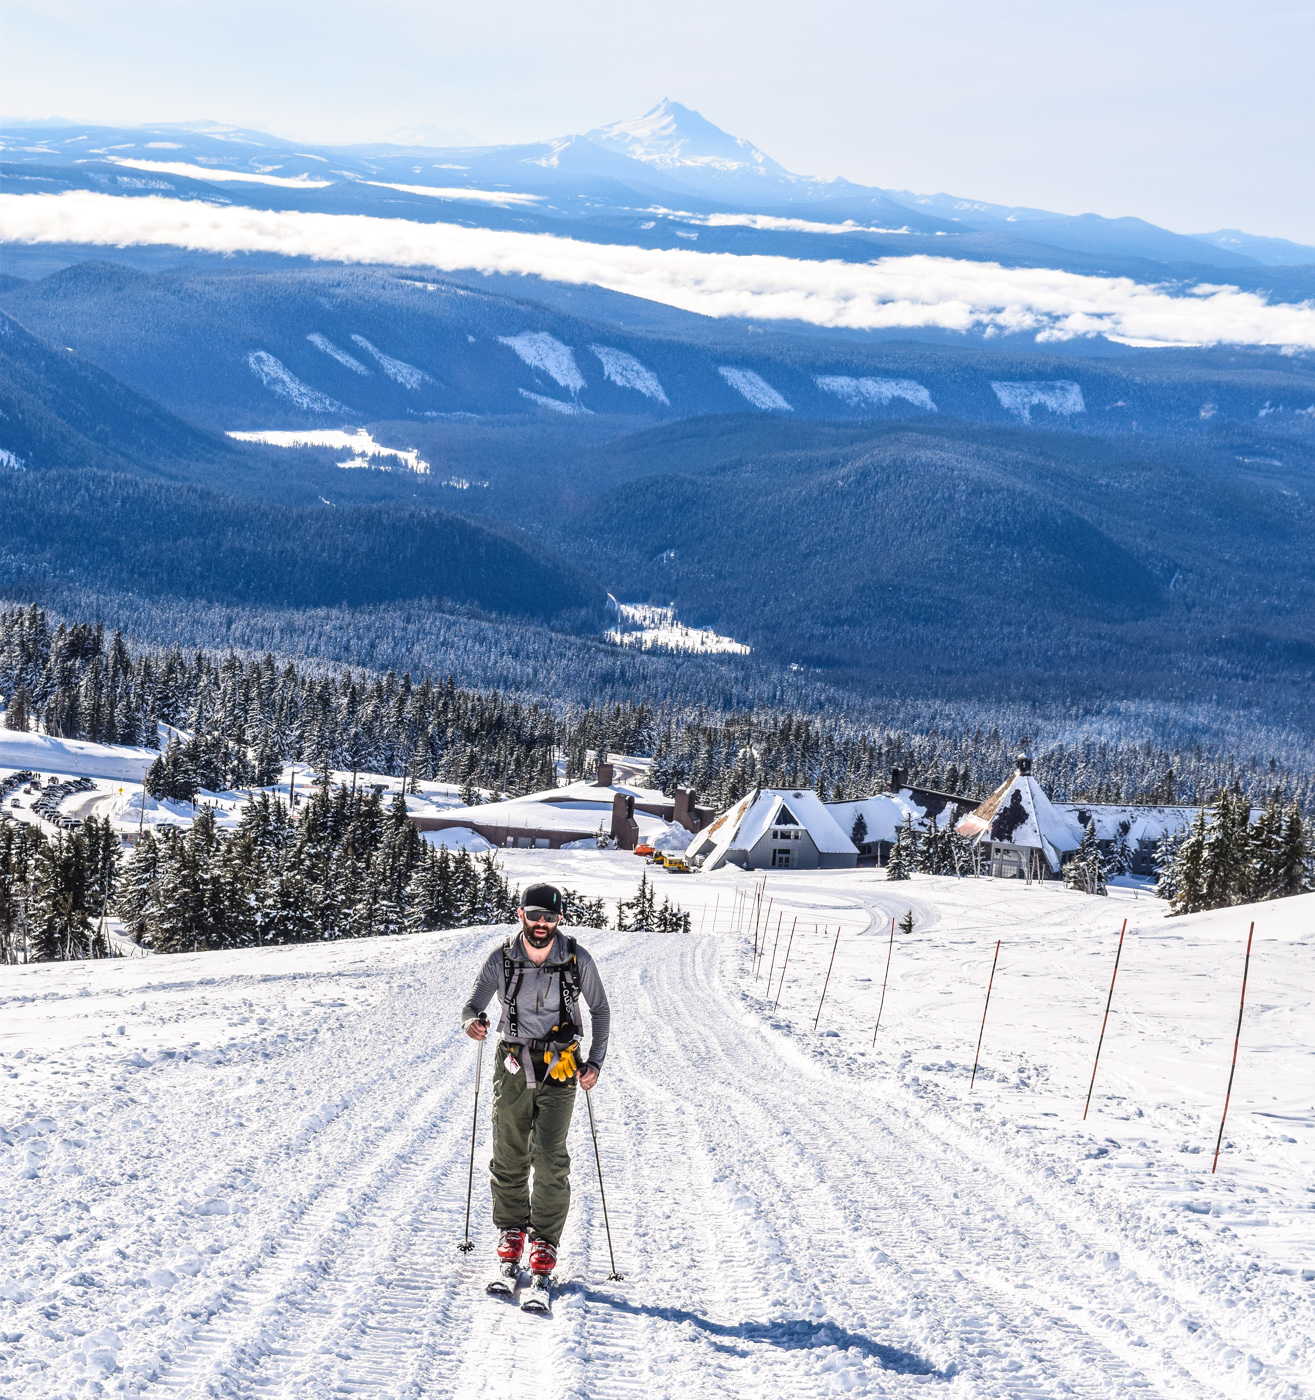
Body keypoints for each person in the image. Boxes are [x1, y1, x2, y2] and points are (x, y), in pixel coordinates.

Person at [461, 882, 611, 1281]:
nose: (541, 923)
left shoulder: (578, 959)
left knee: (549, 1153)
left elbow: (600, 1010)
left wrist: (594, 1062)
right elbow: (473, 1004)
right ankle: (512, 1229)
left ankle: (544, 1239)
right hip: (512, 1059)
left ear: (559, 919)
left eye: (549, 916)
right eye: (534, 915)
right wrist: (471, 1022)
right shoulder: (502, 959)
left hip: (561, 1064)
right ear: (520, 915)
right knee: (509, 1150)